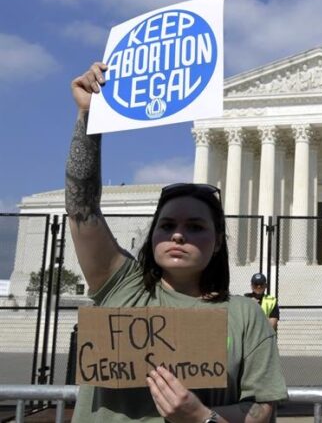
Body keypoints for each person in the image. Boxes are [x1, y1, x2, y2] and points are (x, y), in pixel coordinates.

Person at [66, 62, 287, 423]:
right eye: (167, 225)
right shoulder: (121, 286)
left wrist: (201, 416)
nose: (178, 234)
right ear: (152, 235)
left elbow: (262, 407)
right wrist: (88, 118)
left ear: (217, 242)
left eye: (195, 226)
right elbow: (81, 208)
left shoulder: (245, 314)